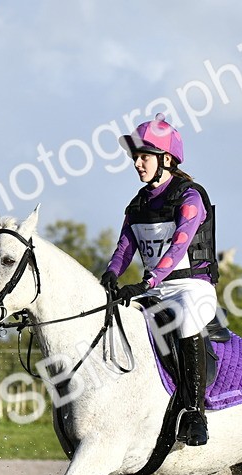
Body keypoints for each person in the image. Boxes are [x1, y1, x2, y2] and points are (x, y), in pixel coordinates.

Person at [100, 114, 219, 446]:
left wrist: (148, 281)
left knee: (186, 317)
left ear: (166, 159)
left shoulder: (190, 196)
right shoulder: (137, 205)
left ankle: (195, 413)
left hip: (191, 287)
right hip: (153, 288)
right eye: (136, 157)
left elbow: (179, 242)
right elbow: (125, 248)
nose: (137, 163)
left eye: (144, 156)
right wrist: (111, 274)